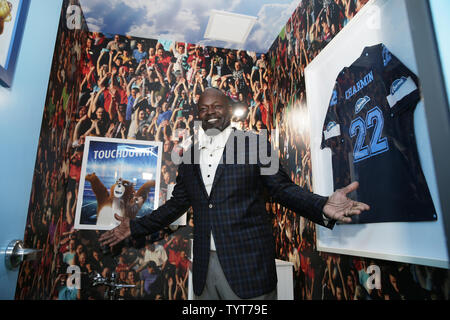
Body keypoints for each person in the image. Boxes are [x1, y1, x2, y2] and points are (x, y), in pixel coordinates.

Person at [99, 87, 370, 301]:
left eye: (217, 106)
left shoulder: (255, 144)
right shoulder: (190, 156)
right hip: (205, 269)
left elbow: (282, 188)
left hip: (248, 267)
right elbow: (176, 204)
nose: (211, 112)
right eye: (203, 109)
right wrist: (134, 227)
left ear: (228, 109)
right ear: (198, 115)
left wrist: (322, 205)